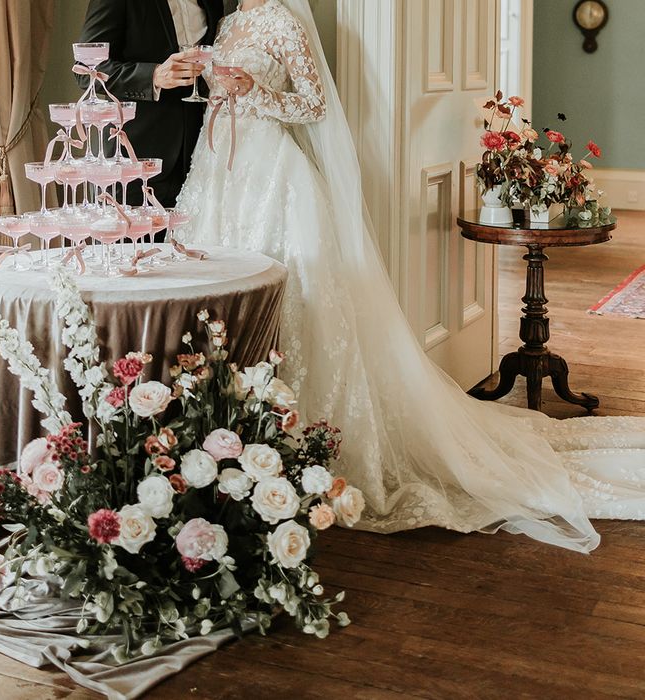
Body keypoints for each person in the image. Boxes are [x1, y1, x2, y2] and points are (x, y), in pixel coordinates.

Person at [177, 0, 645, 553]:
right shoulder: (228, 23)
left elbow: (313, 103)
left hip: (274, 177)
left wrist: (252, 91)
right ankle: (233, 440)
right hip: (219, 175)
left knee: (296, 301)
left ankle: (295, 448)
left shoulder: (283, 19)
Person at [77, 0, 226, 208]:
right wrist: (153, 76)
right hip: (133, 157)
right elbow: (86, 70)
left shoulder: (213, 3)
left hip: (195, 162)